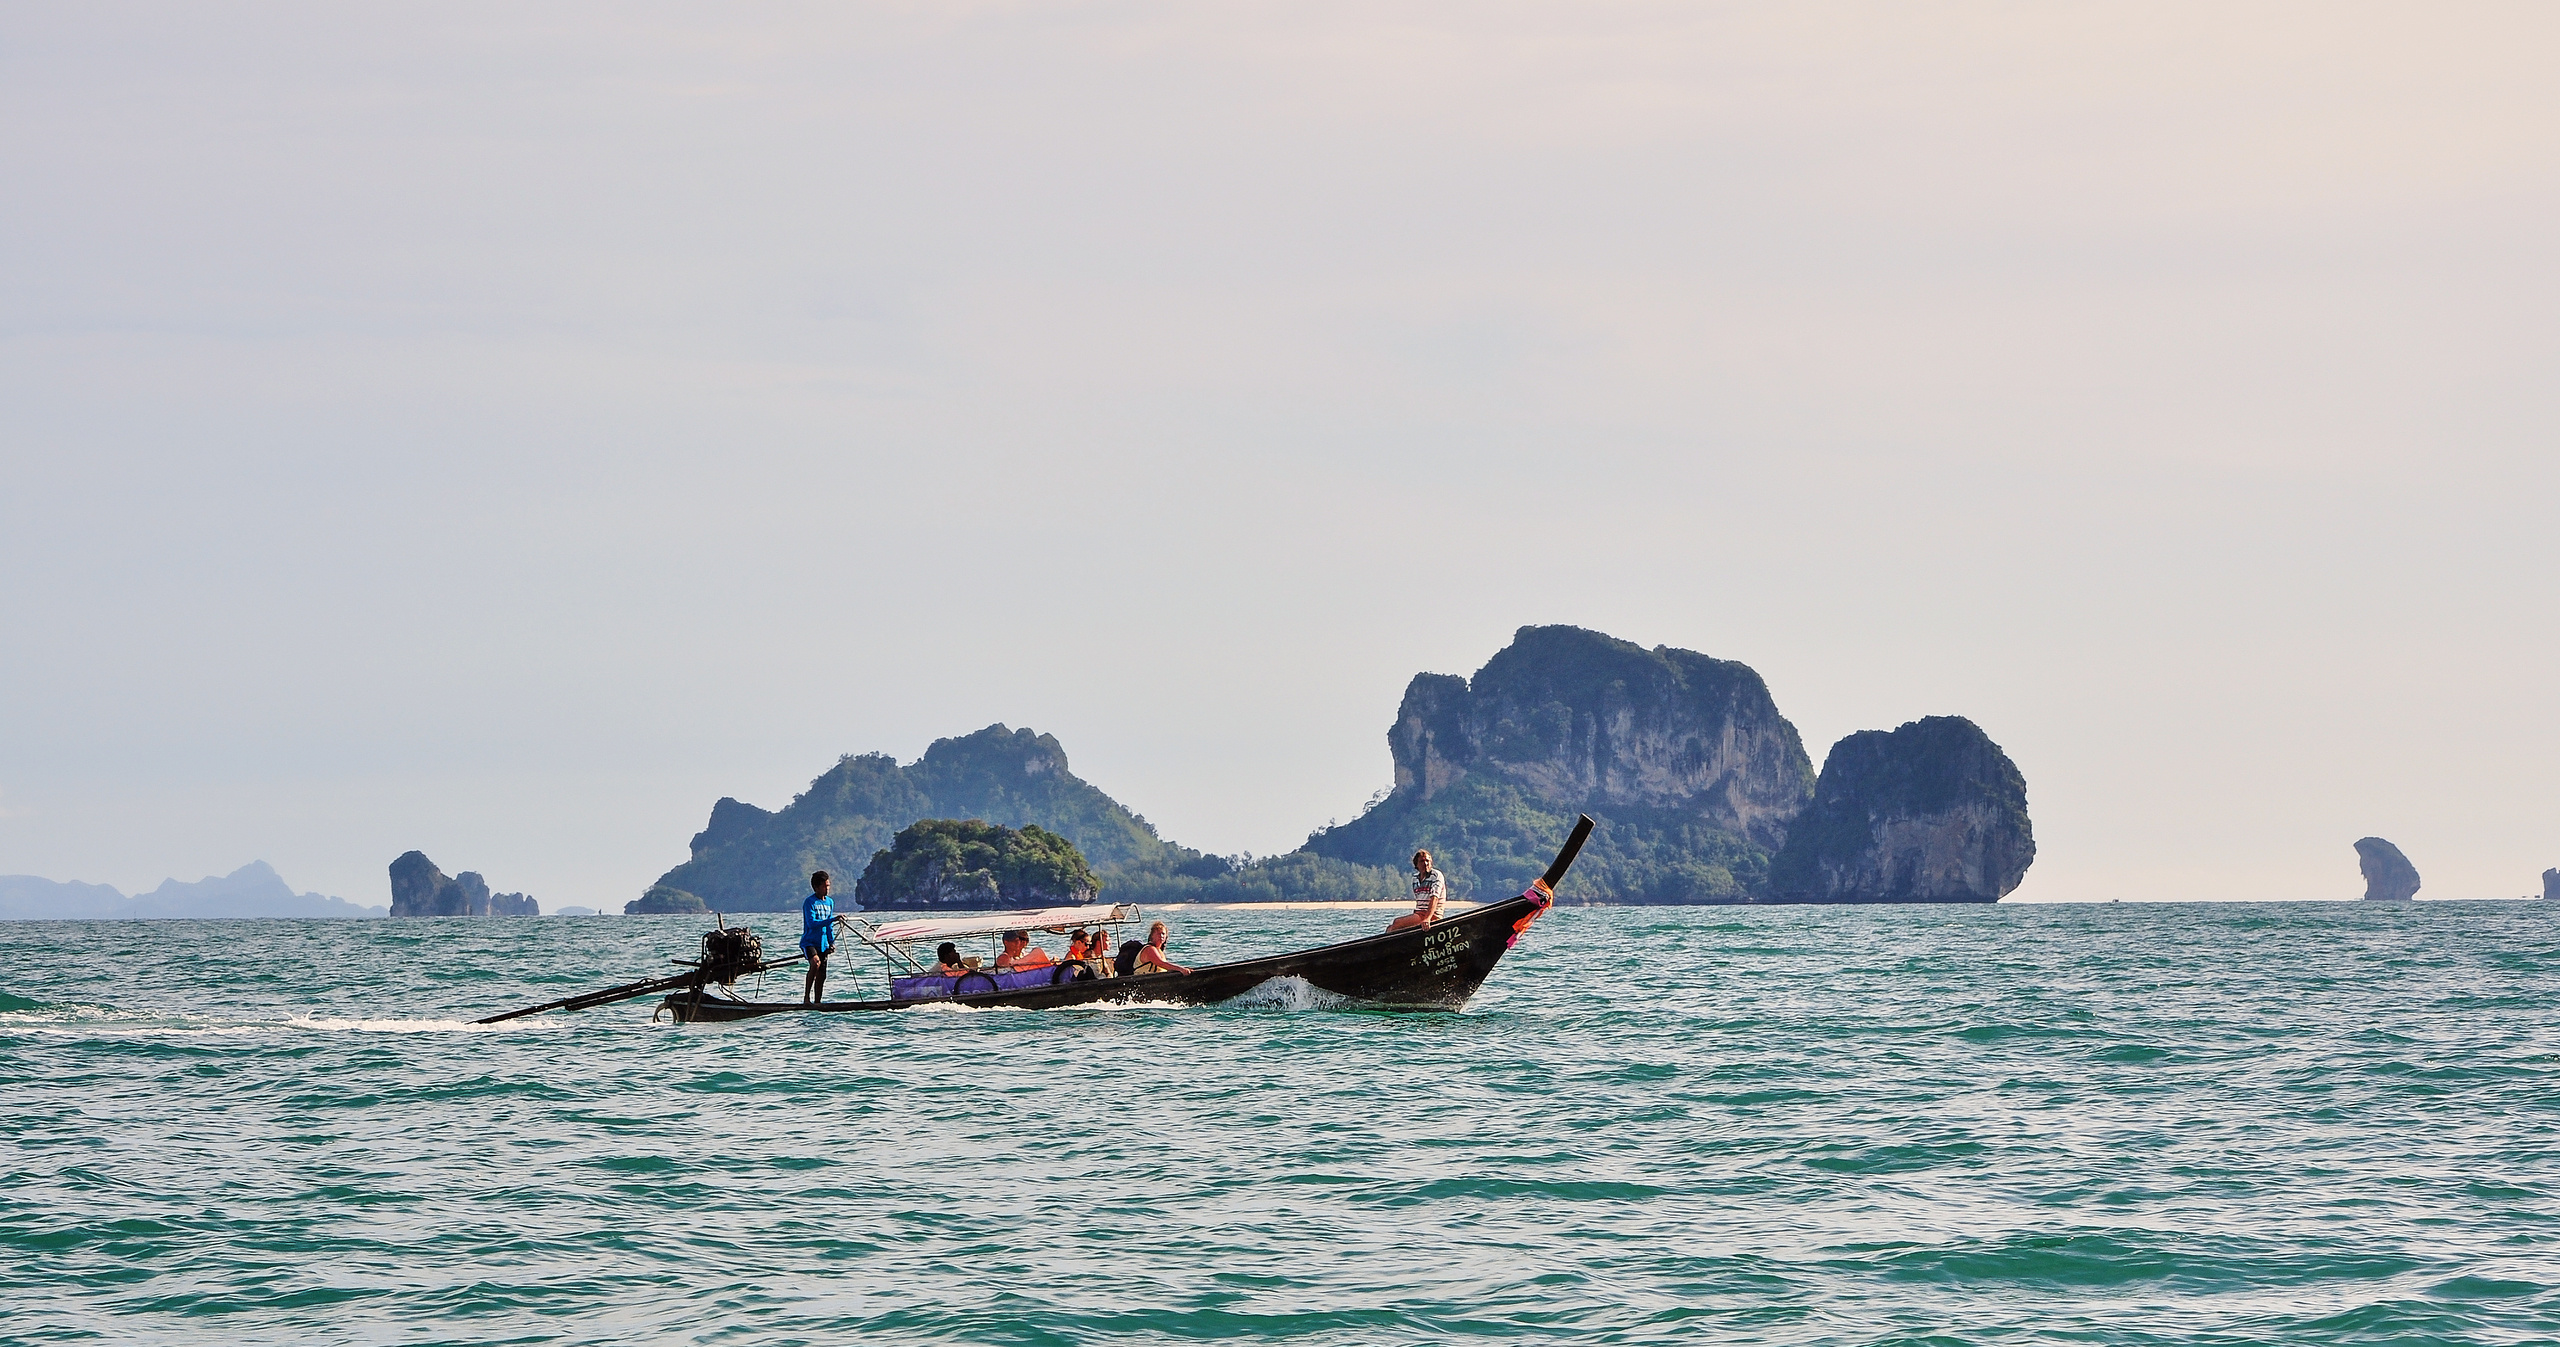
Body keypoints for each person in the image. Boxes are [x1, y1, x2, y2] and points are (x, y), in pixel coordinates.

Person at [1384, 849, 1445, 933]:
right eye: (1422, 861)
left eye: (1427, 861)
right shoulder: (1415, 879)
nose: (1425, 863)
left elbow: (1434, 898)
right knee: (1390, 928)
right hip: (1419, 914)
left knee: (1397, 923)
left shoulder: (1436, 875)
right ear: (1416, 864)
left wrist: (1427, 918)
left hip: (1432, 915)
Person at [800, 871, 837, 1005]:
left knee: (822, 975)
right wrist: (831, 920)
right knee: (815, 963)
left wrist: (831, 942)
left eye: (828, 886)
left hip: (823, 943)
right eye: (824, 886)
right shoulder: (809, 902)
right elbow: (812, 923)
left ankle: (817, 1002)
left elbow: (829, 926)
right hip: (809, 941)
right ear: (816, 887)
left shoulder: (830, 902)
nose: (827, 889)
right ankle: (806, 998)